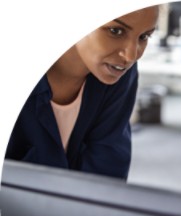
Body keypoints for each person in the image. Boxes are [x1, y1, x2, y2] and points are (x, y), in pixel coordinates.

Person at [5, 6, 159, 179]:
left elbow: (107, 169)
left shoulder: (118, 70)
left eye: (144, 36)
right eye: (116, 31)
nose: (131, 55)